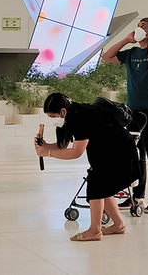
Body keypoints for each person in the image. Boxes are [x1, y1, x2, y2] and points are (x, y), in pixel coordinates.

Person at [34, 93, 140, 241]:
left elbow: (76, 152)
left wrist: (48, 153)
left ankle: (95, 230)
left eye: (52, 116)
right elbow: (63, 145)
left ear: (62, 111)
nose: (52, 120)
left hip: (120, 151)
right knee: (102, 186)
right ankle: (118, 225)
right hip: (109, 150)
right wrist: (45, 147)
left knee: (96, 185)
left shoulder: (80, 117)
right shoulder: (71, 114)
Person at [102, 18, 148, 213]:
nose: (139, 28)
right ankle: (137, 196)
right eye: (139, 26)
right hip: (132, 110)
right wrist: (126, 40)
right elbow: (107, 57)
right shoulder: (131, 53)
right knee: (137, 154)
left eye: (144, 27)